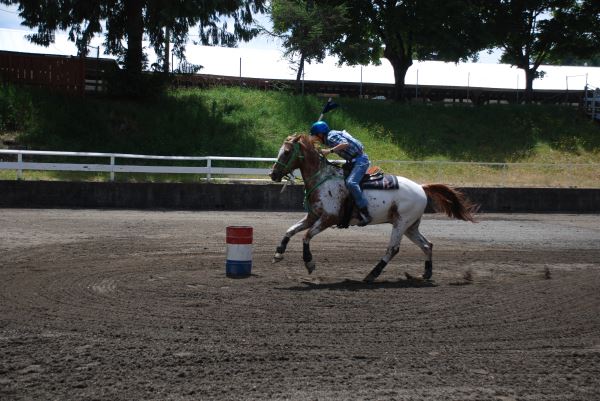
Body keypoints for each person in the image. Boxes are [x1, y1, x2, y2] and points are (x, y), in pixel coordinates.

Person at [309, 121, 372, 226]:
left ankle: (365, 213)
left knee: (351, 183)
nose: (316, 139)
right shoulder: (331, 136)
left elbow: (345, 144)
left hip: (360, 161)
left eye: (315, 136)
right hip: (352, 162)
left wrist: (329, 151)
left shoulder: (330, 137)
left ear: (320, 134)